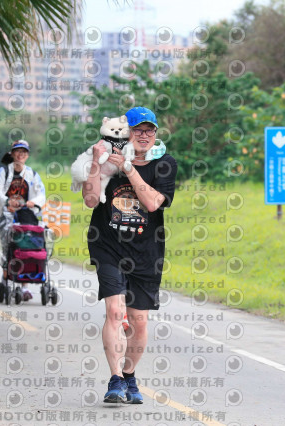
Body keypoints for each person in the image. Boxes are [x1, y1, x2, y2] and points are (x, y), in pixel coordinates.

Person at [82, 106, 177, 404]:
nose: (144, 135)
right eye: (138, 130)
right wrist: (98, 165)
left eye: (150, 130)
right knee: (114, 312)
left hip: (146, 252)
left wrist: (129, 168)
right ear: (127, 133)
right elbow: (88, 199)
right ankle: (114, 380)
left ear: (156, 133)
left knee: (139, 323)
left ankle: (129, 374)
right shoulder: (103, 158)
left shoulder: (164, 164)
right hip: (108, 246)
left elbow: (152, 203)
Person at [0, 140, 46, 300]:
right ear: (12, 153)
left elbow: (40, 193)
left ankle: (24, 286)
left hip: (26, 215)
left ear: (27, 155)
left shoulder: (32, 174)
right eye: (17, 151)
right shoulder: (3, 172)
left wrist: (33, 202)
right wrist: (8, 201)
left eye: (24, 152)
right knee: (8, 247)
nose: (20, 154)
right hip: (7, 216)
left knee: (27, 247)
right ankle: (6, 276)